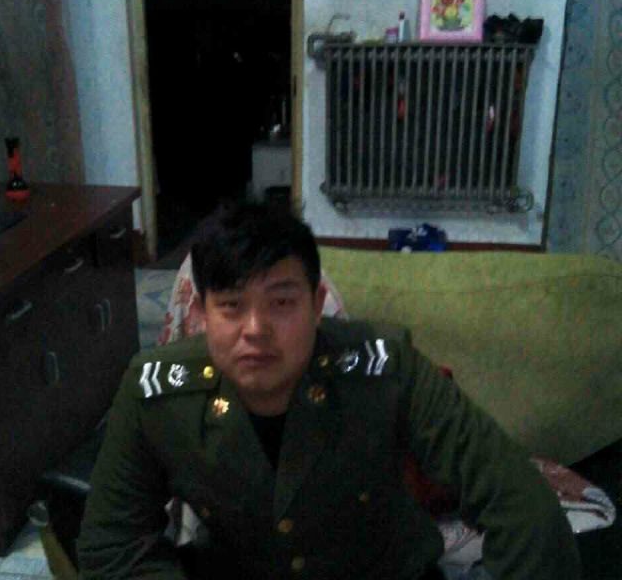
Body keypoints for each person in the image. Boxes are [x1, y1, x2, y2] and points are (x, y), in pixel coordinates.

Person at [77, 202, 580, 580]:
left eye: (281, 303)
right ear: (202, 313)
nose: (256, 329)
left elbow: (523, 508)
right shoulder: (155, 391)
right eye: (231, 305)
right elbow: (112, 545)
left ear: (317, 304)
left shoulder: (387, 368)